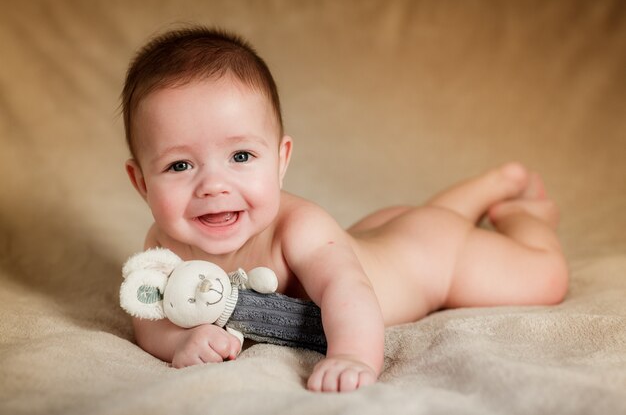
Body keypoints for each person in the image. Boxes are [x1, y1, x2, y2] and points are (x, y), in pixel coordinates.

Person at [122, 26, 568, 393]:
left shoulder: (299, 227)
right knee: (407, 227)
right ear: (142, 181)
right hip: (377, 235)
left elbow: (346, 289)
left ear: (281, 161)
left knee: (546, 277)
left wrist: (352, 355)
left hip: (432, 258)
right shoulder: (163, 242)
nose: (214, 186)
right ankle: (482, 190)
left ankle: (521, 215)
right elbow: (149, 316)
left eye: (240, 156)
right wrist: (181, 341)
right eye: (180, 165)